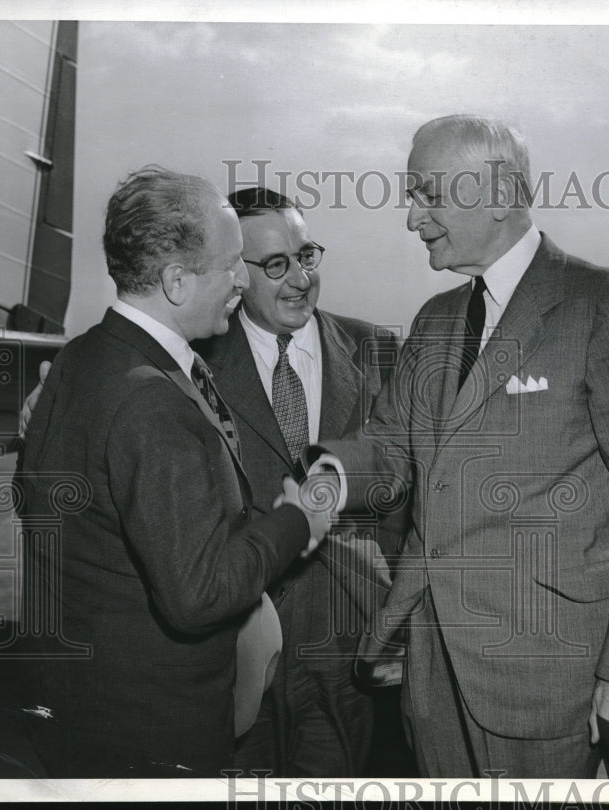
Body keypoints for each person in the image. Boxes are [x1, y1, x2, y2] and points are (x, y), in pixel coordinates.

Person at [320, 114, 609, 778]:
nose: (411, 218)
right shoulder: (436, 320)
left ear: (496, 195)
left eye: (427, 195)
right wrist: (329, 476)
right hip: (434, 673)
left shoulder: (600, 306)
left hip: (550, 675)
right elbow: (390, 446)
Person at [17, 167, 333, 778]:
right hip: (151, 733)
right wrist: (298, 520)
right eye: (231, 264)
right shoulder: (152, 402)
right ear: (177, 281)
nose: (244, 280)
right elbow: (199, 596)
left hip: (77, 711)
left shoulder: (84, 356)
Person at [196, 187, 410, 776]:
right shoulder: (192, 363)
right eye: (274, 264)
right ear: (236, 276)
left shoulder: (380, 353)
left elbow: (413, 491)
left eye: (306, 255)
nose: (299, 279)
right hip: (238, 654)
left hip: (352, 654)